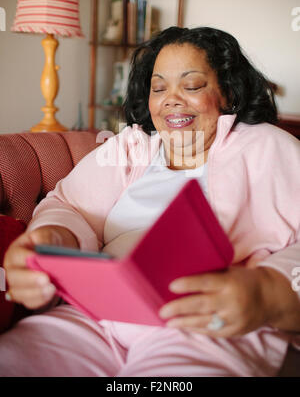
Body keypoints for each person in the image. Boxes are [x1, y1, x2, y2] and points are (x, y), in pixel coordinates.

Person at [0, 26, 300, 377]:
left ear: (228, 93)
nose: (171, 99)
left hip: (202, 326)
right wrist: (55, 236)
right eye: (159, 88)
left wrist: (269, 293)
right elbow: (69, 206)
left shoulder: (268, 148)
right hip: (95, 314)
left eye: (191, 86)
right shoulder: (130, 148)